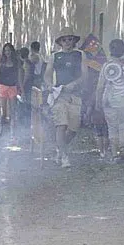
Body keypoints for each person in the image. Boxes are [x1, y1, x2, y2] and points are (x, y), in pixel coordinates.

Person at [44, 27, 87, 168]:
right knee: (61, 125)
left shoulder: (80, 55)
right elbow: (47, 74)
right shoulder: (55, 56)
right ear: (60, 42)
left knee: (73, 129)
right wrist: (49, 85)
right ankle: (64, 157)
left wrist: (75, 84)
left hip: (75, 96)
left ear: (74, 41)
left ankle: (60, 149)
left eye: (70, 39)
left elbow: (85, 75)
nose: (67, 42)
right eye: (64, 40)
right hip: (60, 95)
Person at [97, 39, 124, 162]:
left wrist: (97, 103)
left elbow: (100, 87)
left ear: (110, 50)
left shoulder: (106, 66)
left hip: (109, 102)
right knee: (123, 126)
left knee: (112, 128)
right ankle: (122, 149)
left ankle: (115, 153)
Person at [80, 34, 109, 158]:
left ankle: (101, 149)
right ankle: (104, 150)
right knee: (102, 124)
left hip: (96, 90)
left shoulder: (87, 58)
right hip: (98, 90)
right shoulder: (102, 58)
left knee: (98, 120)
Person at [0, 42, 23, 139]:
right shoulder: (1, 64)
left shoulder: (16, 64)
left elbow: (19, 78)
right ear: (4, 52)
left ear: (12, 51)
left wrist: (21, 90)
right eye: (6, 50)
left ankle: (12, 131)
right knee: (3, 111)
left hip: (13, 87)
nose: (7, 52)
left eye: (9, 50)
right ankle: (1, 128)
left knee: (13, 110)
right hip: (3, 87)